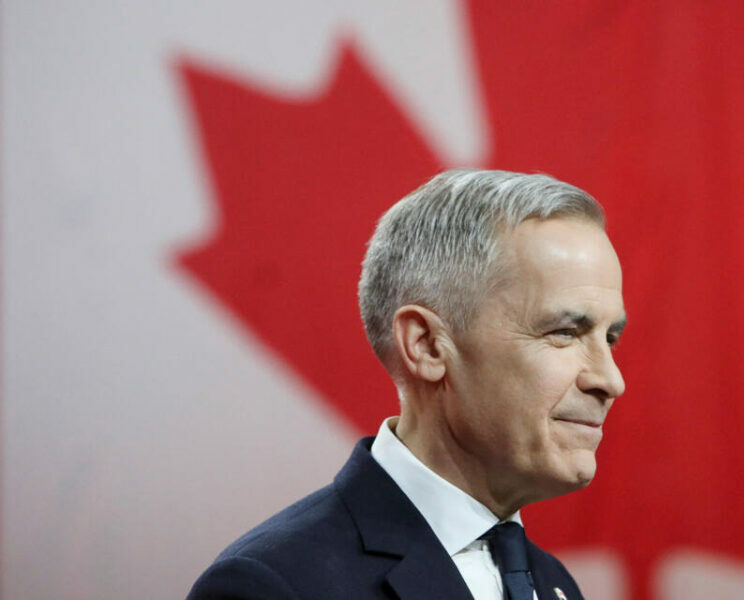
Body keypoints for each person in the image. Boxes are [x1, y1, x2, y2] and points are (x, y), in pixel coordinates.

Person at [188, 169, 627, 600]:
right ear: (427, 345)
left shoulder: (552, 583)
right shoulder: (272, 586)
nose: (611, 380)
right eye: (564, 332)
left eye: (609, 338)